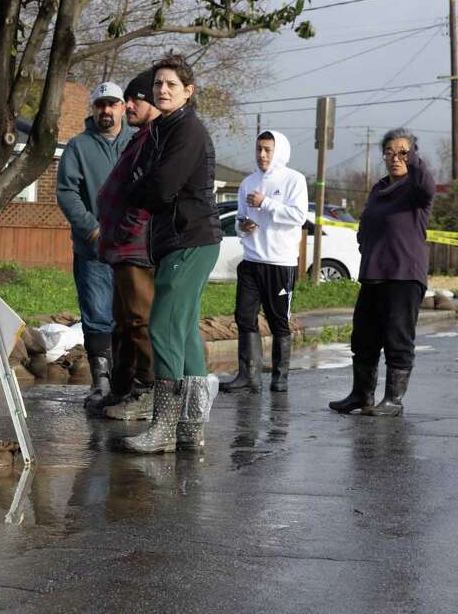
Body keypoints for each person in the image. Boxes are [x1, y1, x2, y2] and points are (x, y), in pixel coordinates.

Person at [120, 54, 222, 453]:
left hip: (190, 237)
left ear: (188, 92)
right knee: (184, 331)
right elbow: (143, 178)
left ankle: (163, 427)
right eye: (158, 84)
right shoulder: (163, 129)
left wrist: (138, 188)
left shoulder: (188, 131)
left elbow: (159, 187)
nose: (162, 90)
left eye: (171, 85)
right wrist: (142, 183)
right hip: (176, 237)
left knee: (162, 326)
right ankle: (190, 429)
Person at [329, 128, 436, 417]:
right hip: (374, 273)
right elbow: (368, 222)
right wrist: (364, 240)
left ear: (413, 155)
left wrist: (412, 158)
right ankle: (360, 395)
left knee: (397, 338)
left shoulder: (416, 187)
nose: (395, 157)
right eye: (389, 152)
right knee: (364, 337)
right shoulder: (379, 188)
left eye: (402, 152)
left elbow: (427, 184)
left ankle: (393, 400)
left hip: (404, 275)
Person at [57, 81, 134, 409]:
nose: (106, 110)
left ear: (122, 108)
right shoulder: (78, 147)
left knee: (131, 316)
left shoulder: (137, 142)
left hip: (133, 249)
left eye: (112, 104)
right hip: (94, 249)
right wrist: (90, 229)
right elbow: (66, 192)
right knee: (98, 314)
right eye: (100, 105)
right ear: (94, 109)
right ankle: (100, 382)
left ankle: (126, 382)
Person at [220, 130, 308, 394]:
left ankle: (279, 377)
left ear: (279, 150)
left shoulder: (294, 180)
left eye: (267, 149)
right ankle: (248, 375)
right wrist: (243, 226)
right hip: (251, 260)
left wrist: (266, 203)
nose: (262, 155)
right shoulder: (248, 182)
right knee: (244, 317)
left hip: (280, 263)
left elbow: (298, 217)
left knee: (278, 320)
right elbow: (240, 220)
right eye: (259, 149)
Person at [95, 71, 160, 420]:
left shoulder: (154, 139)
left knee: (139, 321)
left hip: (135, 246)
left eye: (135, 99)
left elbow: (149, 196)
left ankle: (145, 390)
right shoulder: (139, 138)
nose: (128, 105)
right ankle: (120, 389)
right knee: (122, 322)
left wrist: (128, 228)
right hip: (120, 247)